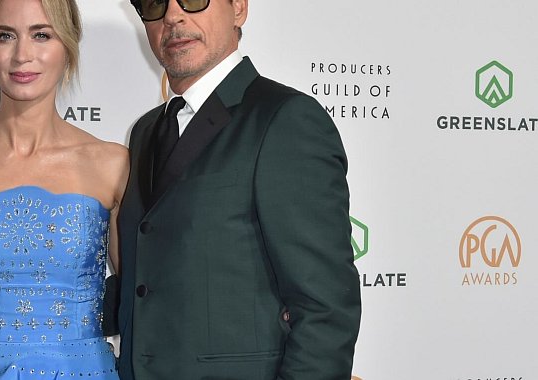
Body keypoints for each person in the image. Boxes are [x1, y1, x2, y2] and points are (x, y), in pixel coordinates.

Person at [111, 0, 362, 378]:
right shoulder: (146, 131)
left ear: (239, 9)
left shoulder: (285, 120)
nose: (173, 17)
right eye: (154, 4)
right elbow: (147, 282)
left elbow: (326, 309)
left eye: (193, 0)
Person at [0, 0, 128, 378]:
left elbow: (140, 296)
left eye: (41, 35)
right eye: (5, 36)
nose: (22, 56)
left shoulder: (112, 163)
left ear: (68, 45)